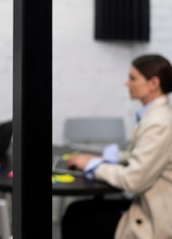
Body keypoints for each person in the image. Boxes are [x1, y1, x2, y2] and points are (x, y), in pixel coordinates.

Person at [61, 54, 172, 239]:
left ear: (153, 83)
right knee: (77, 211)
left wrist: (91, 166)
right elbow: (146, 157)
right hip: (147, 205)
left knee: (76, 218)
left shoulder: (158, 123)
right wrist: (106, 159)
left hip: (153, 221)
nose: (127, 83)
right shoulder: (158, 115)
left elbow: (133, 181)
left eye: (133, 78)